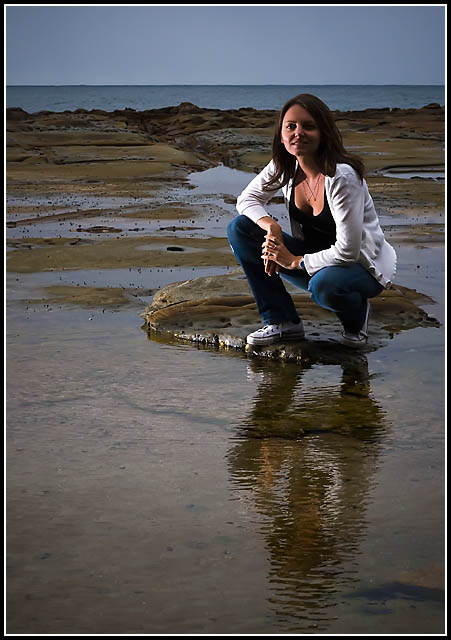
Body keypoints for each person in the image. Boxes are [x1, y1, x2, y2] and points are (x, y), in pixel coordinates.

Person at [227, 93, 397, 347]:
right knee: (241, 228)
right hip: (313, 260)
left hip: (360, 268)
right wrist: (272, 227)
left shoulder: (342, 176)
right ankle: (282, 321)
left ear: (324, 132)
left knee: (324, 285)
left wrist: (295, 261)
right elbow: (246, 200)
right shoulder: (285, 165)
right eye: (291, 126)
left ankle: (356, 317)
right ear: (281, 134)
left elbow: (348, 252)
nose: (299, 133)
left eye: (309, 126)